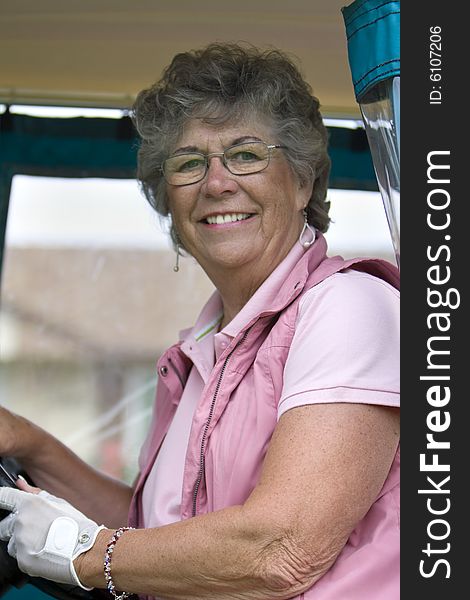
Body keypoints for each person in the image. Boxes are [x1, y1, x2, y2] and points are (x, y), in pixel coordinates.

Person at [0, 43, 400, 599]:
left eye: (245, 154)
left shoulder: (348, 305)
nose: (216, 183)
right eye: (189, 163)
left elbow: (280, 550)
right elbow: (157, 540)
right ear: (168, 199)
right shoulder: (201, 347)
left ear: (303, 180)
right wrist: (29, 443)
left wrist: (83, 555)